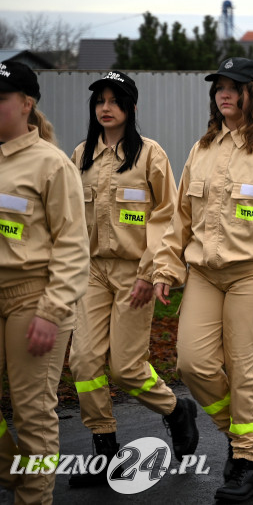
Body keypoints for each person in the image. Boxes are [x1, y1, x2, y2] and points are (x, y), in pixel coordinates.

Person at [153, 57, 253, 502]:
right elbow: (180, 217)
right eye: (218, 87)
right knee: (191, 363)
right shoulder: (203, 148)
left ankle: (244, 463)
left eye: (233, 86)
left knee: (245, 369)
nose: (223, 93)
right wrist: (166, 267)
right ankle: (238, 432)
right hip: (203, 272)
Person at [68, 70, 199, 488]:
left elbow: (167, 217)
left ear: (131, 108)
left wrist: (151, 272)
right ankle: (104, 447)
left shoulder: (150, 155)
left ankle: (176, 410)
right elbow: (70, 218)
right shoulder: (80, 155)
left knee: (125, 369)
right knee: (84, 362)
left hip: (133, 273)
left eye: (114, 100)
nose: (105, 108)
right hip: (90, 271)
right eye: (100, 101)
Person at [0, 61, 89, 504]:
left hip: (33, 297)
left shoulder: (52, 165)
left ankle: (33, 495)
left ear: (26, 104)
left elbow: (74, 247)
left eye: (0, 98)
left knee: (32, 414)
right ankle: (22, 478)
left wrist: (52, 312)